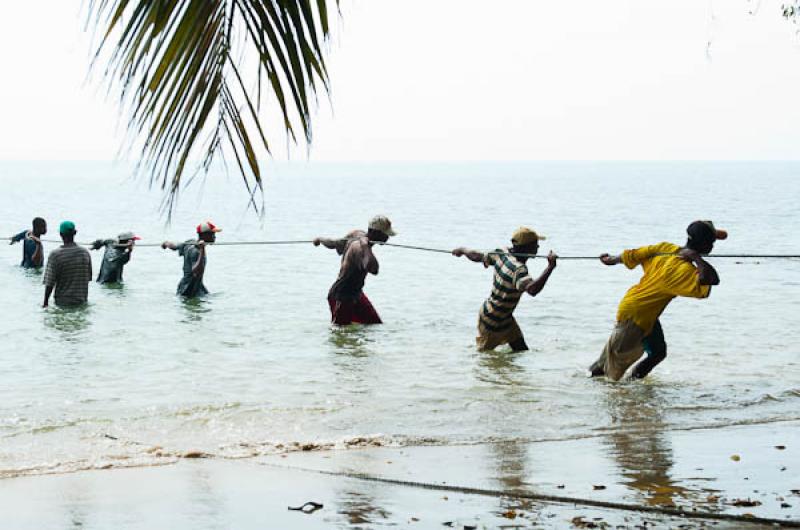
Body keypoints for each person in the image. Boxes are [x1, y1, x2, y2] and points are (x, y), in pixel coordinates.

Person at [589, 220, 726, 381]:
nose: (713, 246)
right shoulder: (681, 272)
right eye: (712, 242)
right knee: (608, 367)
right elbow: (711, 279)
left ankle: (633, 383)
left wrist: (613, 259)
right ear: (705, 245)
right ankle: (588, 388)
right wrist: (696, 258)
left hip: (646, 313)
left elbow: (634, 254)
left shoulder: (665, 248)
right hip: (636, 316)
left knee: (658, 353)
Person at [452, 227, 558, 351]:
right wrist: (550, 267)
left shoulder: (502, 253)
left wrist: (462, 250)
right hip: (493, 321)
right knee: (483, 358)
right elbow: (532, 290)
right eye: (535, 244)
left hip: (504, 318)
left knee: (521, 351)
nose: (538, 248)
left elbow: (478, 256)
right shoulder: (518, 270)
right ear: (528, 248)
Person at [313, 215, 396, 325]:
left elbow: (334, 243)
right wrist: (365, 246)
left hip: (356, 294)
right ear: (376, 233)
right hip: (342, 296)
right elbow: (373, 269)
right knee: (341, 333)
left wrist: (320, 239)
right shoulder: (360, 248)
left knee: (374, 325)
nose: (388, 238)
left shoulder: (356, 234)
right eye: (386, 234)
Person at [161, 221, 221, 297]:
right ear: (205, 235)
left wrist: (166, 243)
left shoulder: (190, 243)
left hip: (195, 286)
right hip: (188, 289)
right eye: (212, 234)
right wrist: (202, 250)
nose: (214, 236)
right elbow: (196, 272)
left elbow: (175, 246)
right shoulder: (196, 251)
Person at [42, 221, 92, 308]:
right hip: (81, 301)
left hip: (62, 302)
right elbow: (88, 277)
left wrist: (45, 302)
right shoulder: (85, 253)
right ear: (75, 233)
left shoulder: (55, 255)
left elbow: (49, 282)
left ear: (60, 234)